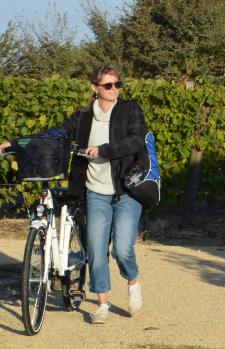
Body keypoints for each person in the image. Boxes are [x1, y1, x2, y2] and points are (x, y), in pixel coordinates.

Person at [1, 64, 147, 325]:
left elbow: (136, 140)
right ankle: (102, 303)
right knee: (95, 249)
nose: (114, 89)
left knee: (123, 249)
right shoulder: (83, 118)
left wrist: (104, 150)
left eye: (117, 84)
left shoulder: (129, 110)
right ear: (95, 88)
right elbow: (56, 133)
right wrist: (16, 143)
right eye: (108, 85)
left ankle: (133, 282)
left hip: (126, 190)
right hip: (95, 192)